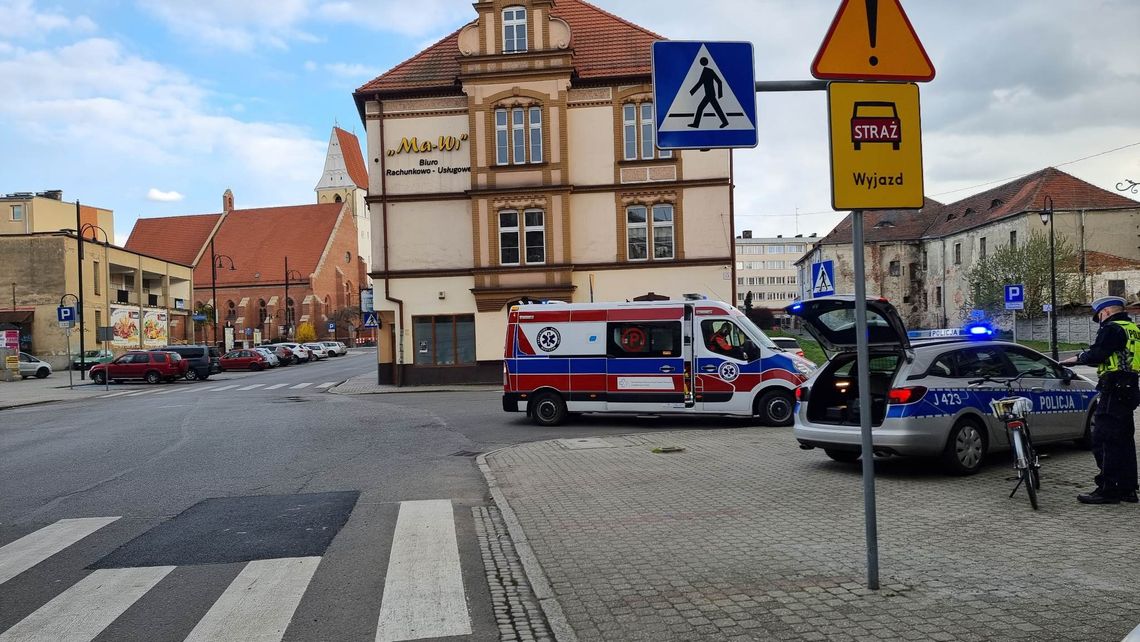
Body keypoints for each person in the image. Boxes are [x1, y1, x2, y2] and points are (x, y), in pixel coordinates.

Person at [1060, 296, 1140, 504]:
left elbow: (1098, 354)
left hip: (1114, 388)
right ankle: (1128, 488)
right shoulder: (1132, 328)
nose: (1100, 320)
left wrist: (1077, 359)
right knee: (1124, 440)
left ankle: (1108, 488)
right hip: (1130, 388)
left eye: (1099, 316)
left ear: (1105, 312)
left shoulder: (1112, 329)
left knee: (1103, 439)